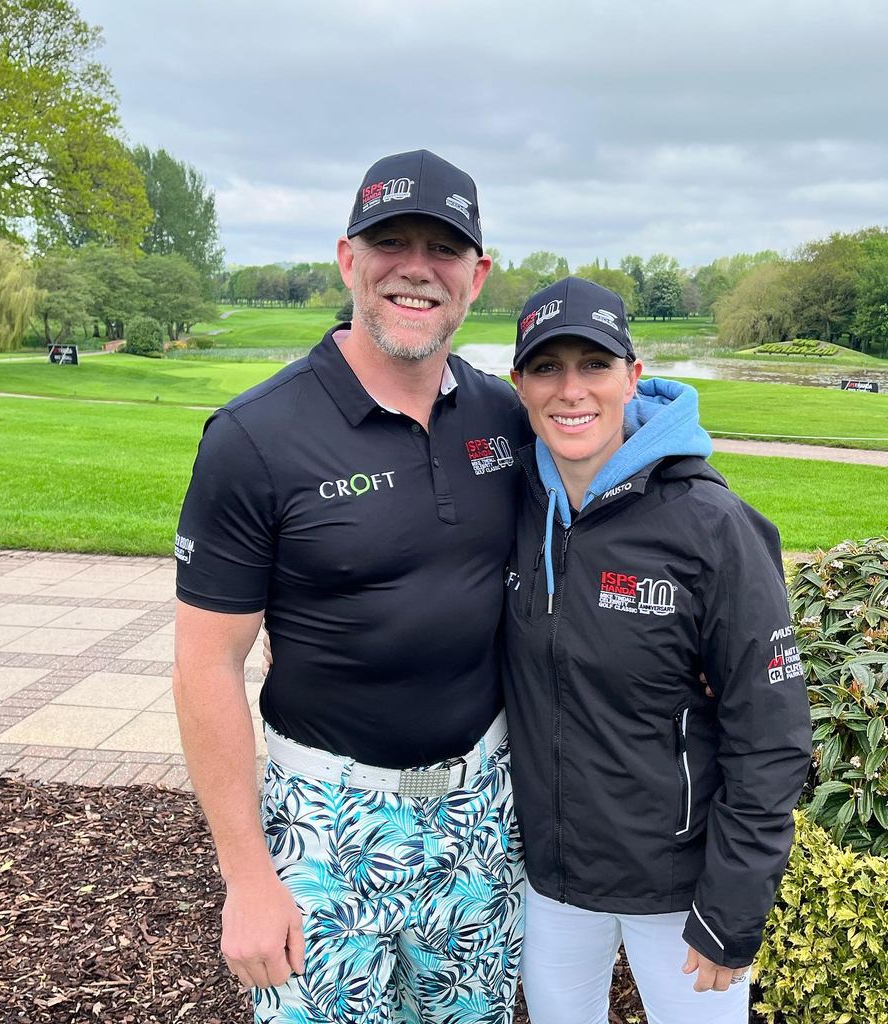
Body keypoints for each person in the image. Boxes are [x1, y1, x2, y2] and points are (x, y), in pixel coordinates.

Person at [172, 150, 530, 1024]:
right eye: (390, 242)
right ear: (348, 260)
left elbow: (615, 476)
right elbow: (205, 666)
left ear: (476, 277)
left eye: (443, 249)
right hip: (327, 820)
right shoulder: (254, 437)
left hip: (483, 807)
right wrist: (247, 878)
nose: (416, 268)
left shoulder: (505, 417)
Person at [501, 277, 813, 1024]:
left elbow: (771, 737)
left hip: (678, 892)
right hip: (553, 882)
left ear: (633, 377)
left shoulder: (712, 526)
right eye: (547, 367)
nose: (571, 390)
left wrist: (732, 909)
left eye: (594, 365)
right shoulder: (514, 501)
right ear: (519, 385)